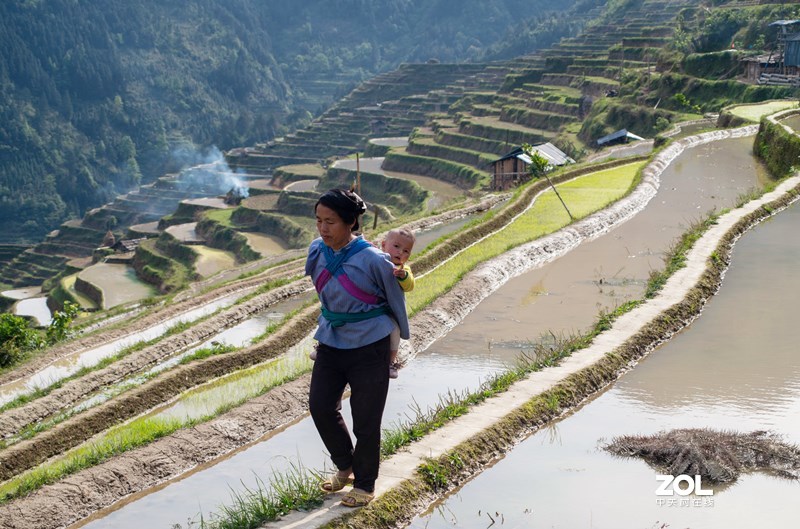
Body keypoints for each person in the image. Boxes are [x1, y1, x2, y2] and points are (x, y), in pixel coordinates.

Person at [306, 188, 409, 508]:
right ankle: (346, 466)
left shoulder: (374, 260)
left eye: (331, 222)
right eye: (319, 221)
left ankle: (365, 485)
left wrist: (399, 339)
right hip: (332, 340)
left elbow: (396, 299)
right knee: (320, 406)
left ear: (351, 223)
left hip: (370, 346)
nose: (323, 229)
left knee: (365, 419)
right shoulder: (316, 250)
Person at [379, 228, 415, 379]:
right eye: (396, 246)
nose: (400, 253)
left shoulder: (403, 269)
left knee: (395, 331)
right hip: (370, 305)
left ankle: (390, 361)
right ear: (383, 245)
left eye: (406, 251)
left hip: (390, 310)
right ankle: (324, 346)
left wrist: (403, 276)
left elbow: (410, 285)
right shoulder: (377, 260)